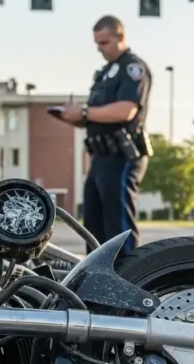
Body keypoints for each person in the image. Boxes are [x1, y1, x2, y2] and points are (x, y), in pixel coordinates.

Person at [53, 15, 153, 252]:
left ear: (121, 36)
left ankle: (128, 282)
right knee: (94, 229)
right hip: (100, 157)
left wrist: (85, 112)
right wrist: (74, 117)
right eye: (97, 43)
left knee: (119, 228)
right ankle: (96, 283)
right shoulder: (105, 72)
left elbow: (126, 110)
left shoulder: (132, 68)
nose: (100, 49)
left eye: (105, 42)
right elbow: (96, 117)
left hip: (121, 155)